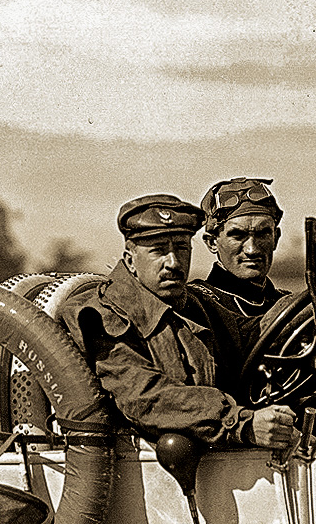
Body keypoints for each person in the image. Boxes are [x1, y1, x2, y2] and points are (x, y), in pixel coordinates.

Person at [67, 194, 296, 451]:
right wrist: (242, 423)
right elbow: (146, 397)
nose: (173, 263)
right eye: (159, 251)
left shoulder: (191, 304)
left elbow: (250, 334)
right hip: (140, 467)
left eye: (181, 248)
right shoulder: (103, 315)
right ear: (130, 261)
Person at [188, 176, 284, 319]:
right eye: (237, 235)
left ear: (275, 238)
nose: (252, 249)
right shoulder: (194, 306)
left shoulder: (288, 304)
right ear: (212, 242)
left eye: (263, 234)